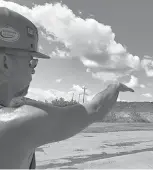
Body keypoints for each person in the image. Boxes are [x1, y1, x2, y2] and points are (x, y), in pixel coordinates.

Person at [0, 7, 134, 169]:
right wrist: (115, 86)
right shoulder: (20, 122)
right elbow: (95, 108)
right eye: (31, 61)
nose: (33, 69)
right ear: (5, 63)